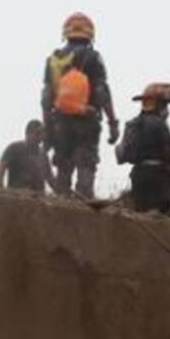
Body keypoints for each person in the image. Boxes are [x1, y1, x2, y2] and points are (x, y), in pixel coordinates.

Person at [41, 12, 120, 199]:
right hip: (87, 119)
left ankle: (62, 202)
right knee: (86, 162)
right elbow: (102, 92)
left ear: (65, 34)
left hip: (60, 120)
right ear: (90, 34)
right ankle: (84, 201)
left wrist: (48, 127)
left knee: (63, 165)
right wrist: (112, 123)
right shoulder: (93, 57)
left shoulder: (54, 60)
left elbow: (46, 97)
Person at [116, 83, 170, 213]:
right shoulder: (160, 125)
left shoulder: (132, 124)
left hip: (137, 174)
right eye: (165, 104)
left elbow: (123, 153)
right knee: (159, 213)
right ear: (159, 104)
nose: (166, 109)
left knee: (141, 212)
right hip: (157, 176)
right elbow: (168, 153)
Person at [0, 120, 55, 192]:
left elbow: (49, 177)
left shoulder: (43, 155)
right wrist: (0, 185)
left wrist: (61, 190)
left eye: (41, 134)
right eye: (37, 134)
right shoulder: (15, 148)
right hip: (18, 195)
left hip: (38, 197)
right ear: (27, 133)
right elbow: (2, 165)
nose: (40, 137)